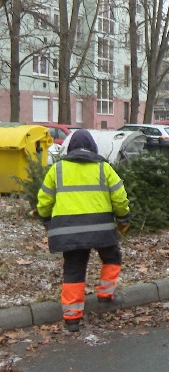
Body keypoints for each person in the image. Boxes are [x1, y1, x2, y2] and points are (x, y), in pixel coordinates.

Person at [37, 129, 131, 332]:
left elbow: (44, 200)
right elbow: (119, 197)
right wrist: (123, 217)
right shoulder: (103, 168)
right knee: (112, 257)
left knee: (73, 269)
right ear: (92, 148)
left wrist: (45, 218)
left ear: (69, 148)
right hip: (102, 230)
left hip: (69, 231)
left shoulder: (58, 169)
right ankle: (106, 296)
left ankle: (72, 319)